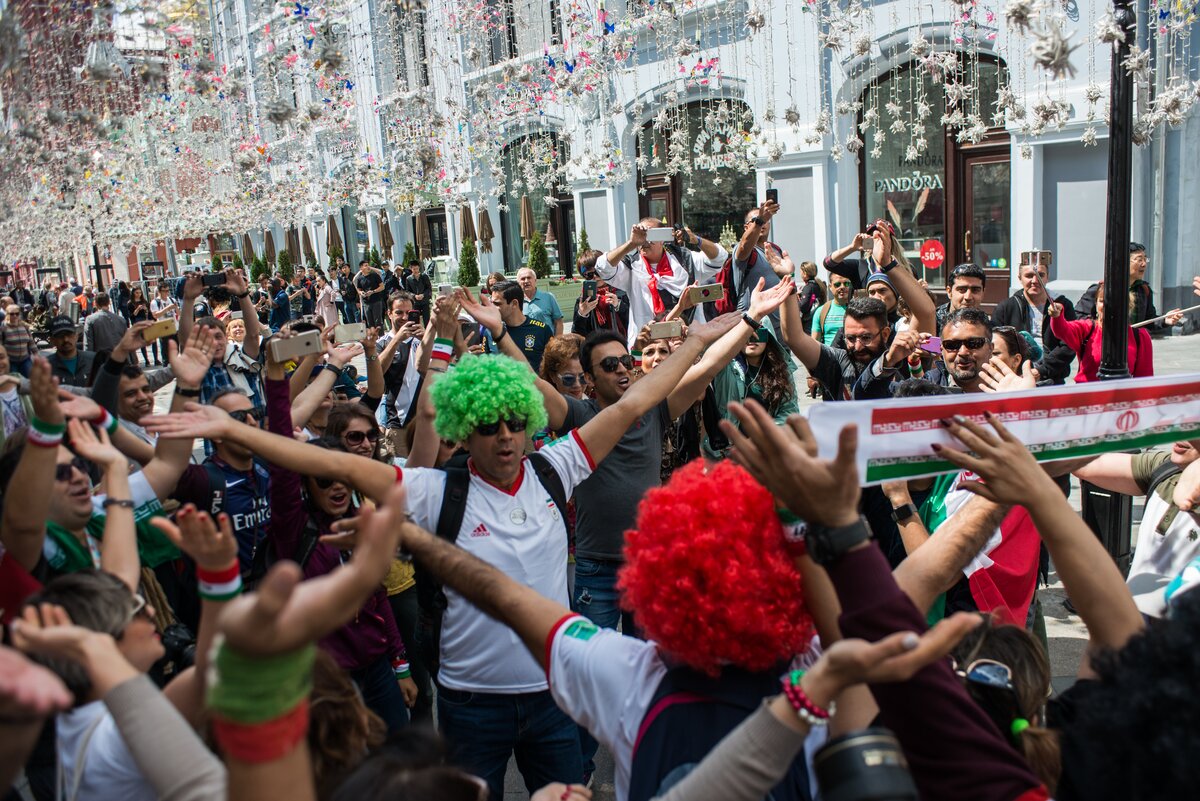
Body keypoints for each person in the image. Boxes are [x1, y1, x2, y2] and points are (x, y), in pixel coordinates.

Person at [594, 218, 728, 348]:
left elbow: (719, 258)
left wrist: (696, 240)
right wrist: (631, 243)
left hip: (688, 342)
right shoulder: (631, 266)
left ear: (663, 237)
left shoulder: (685, 260)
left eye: (650, 234)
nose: (644, 240)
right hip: (649, 346)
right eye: (641, 234)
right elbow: (602, 267)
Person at [991, 259, 1077, 384]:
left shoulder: (1063, 304)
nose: (1035, 281)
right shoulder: (1006, 307)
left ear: (1047, 277)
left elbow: (1069, 344)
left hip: (1053, 378)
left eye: (1040, 275)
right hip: (1016, 379)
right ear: (1019, 278)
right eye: (1029, 276)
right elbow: (994, 346)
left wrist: (1042, 370)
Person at [1047, 284, 1154, 382]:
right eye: (1102, 301)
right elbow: (1063, 330)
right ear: (1096, 304)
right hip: (1088, 397)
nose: (1107, 305)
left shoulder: (1140, 337)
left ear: (1127, 306)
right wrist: (1057, 316)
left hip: (1121, 398)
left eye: (1115, 301)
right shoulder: (1087, 329)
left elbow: (1144, 380)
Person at [1076, 242, 1184, 332]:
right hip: (1105, 346)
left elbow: (1148, 321)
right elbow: (1077, 316)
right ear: (1124, 262)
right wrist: (1098, 326)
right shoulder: (1101, 290)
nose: (1144, 264)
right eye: (1139, 259)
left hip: (1134, 348)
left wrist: (1165, 320)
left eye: (1145, 259)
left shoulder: (1143, 290)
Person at [376, 292, 425, 455]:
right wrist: (397, 340)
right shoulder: (381, 343)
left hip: (427, 423)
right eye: (399, 312)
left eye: (408, 313)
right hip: (398, 423)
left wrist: (427, 338)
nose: (404, 317)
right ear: (389, 313)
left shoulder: (423, 340)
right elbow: (377, 372)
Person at [490, 280, 553, 372]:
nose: (491, 308)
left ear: (514, 304)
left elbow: (553, 367)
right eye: (491, 303)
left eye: (497, 304)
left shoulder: (541, 330)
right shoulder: (490, 332)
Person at [573, 256, 630, 341]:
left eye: (598, 273)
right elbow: (576, 334)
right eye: (590, 274)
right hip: (595, 349)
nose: (595, 277)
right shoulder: (583, 301)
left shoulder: (621, 293)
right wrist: (582, 314)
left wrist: (618, 305)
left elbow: (633, 322)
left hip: (621, 346)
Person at [45, 315, 96, 388]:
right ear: (52, 340)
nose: (66, 339)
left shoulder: (93, 360)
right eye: (60, 336)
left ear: (76, 336)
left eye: (69, 335)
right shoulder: (45, 367)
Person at [936, 264, 987, 331]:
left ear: (983, 292)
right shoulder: (933, 322)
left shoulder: (986, 325)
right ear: (949, 292)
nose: (968, 297)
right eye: (962, 290)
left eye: (975, 290)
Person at [516, 266, 564, 335]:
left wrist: (557, 342)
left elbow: (558, 321)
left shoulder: (548, 297)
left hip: (547, 343)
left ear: (535, 281)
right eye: (523, 279)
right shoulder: (516, 302)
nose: (526, 281)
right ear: (518, 283)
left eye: (529, 278)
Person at [2, 303, 35, 376]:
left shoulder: (24, 326)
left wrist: (37, 354)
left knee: (30, 380)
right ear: (7, 314)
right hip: (11, 361)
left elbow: (31, 342)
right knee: (14, 382)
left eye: (17, 314)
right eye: (12, 314)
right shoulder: (3, 328)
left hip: (25, 359)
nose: (14, 316)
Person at [127, 286, 156, 365]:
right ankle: (146, 360)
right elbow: (132, 316)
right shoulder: (130, 303)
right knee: (142, 341)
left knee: (153, 340)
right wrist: (138, 309)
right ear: (133, 293)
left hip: (146, 321)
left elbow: (149, 312)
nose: (138, 294)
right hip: (138, 323)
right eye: (137, 293)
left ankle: (156, 359)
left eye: (140, 293)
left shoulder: (144, 301)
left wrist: (146, 309)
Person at [796, 260, 826, 334]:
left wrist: (797, 299)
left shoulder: (809, 287)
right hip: (817, 320)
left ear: (805, 273)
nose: (800, 275)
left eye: (801, 272)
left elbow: (803, 307)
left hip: (809, 323)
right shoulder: (818, 285)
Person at [355, 260, 387, 328]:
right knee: (370, 323)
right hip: (366, 303)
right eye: (366, 266)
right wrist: (361, 293)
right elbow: (358, 289)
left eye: (368, 265)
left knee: (378, 322)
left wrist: (373, 291)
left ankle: (381, 337)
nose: (368, 267)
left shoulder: (375, 275)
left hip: (376, 301)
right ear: (361, 268)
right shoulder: (360, 278)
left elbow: (382, 287)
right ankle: (373, 338)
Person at [403, 259, 434, 324]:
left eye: (417, 269)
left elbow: (429, 288)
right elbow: (407, 291)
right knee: (415, 320)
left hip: (425, 301)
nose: (416, 271)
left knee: (427, 319)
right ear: (411, 269)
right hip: (415, 302)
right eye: (414, 269)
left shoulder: (424, 276)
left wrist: (423, 295)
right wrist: (414, 296)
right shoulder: (409, 279)